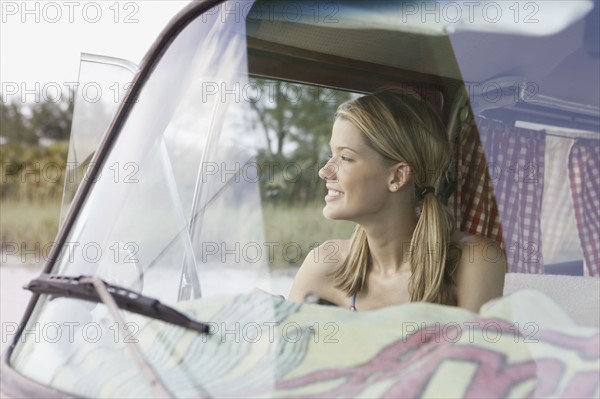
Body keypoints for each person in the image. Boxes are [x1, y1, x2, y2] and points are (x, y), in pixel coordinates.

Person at [288, 89, 506, 313]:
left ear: (397, 177)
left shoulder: (474, 261)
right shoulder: (324, 262)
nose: (325, 171)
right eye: (330, 155)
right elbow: (286, 344)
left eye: (345, 157)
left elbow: (475, 348)